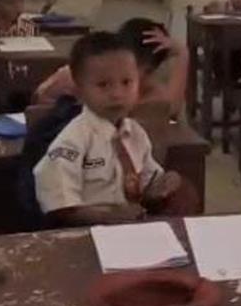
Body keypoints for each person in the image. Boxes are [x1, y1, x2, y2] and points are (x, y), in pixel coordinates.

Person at [32, 32, 198, 226]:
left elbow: (147, 185)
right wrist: (108, 217)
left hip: (131, 228)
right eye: (103, 85)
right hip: (90, 232)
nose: (117, 94)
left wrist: (163, 185)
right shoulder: (73, 140)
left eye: (127, 82)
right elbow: (61, 207)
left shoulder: (135, 134)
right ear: (79, 89)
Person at [35, 20, 189, 116]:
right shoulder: (79, 74)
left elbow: (169, 108)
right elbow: (40, 97)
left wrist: (183, 53)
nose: (116, 93)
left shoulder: (150, 89)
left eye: (148, 71)